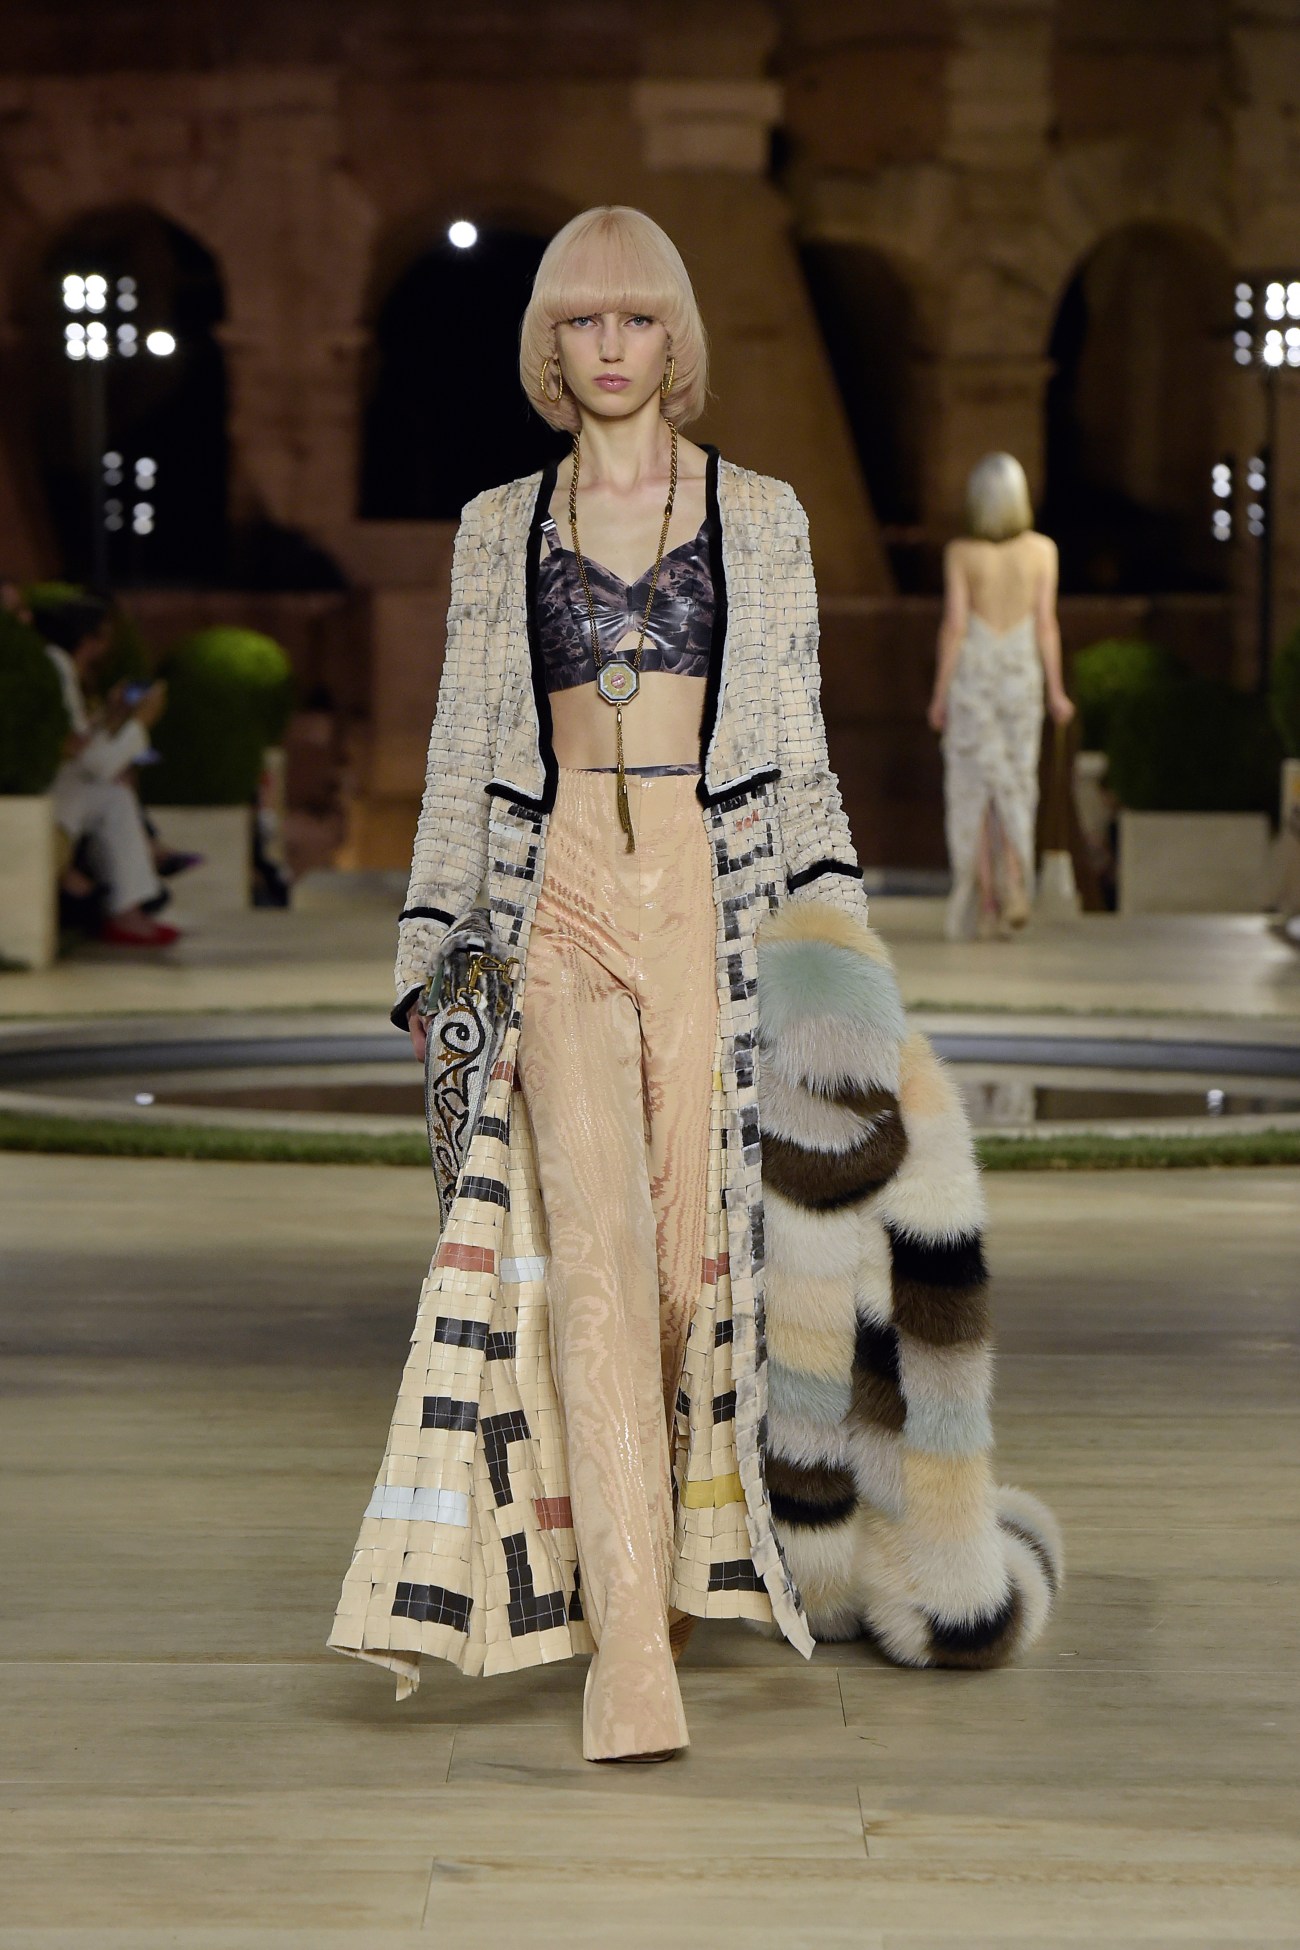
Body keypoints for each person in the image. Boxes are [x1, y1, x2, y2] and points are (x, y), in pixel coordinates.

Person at [328, 206, 885, 1764]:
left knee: (687, 1273)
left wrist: (843, 949)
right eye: (583, 320)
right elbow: (459, 745)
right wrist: (432, 960)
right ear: (549, 345)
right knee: (592, 1251)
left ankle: (664, 1559)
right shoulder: (497, 525)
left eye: (638, 318)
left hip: (708, 894)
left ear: (676, 335)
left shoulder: (760, 516)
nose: (613, 347)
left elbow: (803, 749)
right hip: (556, 888)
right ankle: (630, 1652)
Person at [928, 452, 1075, 941]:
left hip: (974, 680)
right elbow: (1046, 625)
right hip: (1019, 681)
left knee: (976, 790)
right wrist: (1056, 691)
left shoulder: (961, 553)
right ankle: (1014, 881)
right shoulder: (1043, 551)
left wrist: (939, 695)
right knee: (1015, 783)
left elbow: (955, 627)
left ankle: (985, 900)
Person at [37, 594, 178, 947]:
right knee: (111, 793)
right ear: (89, 639)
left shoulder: (64, 668)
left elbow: (82, 743)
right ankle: (127, 910)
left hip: (63, 787)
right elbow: (89, 759)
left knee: (114, 797)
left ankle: (128, 910)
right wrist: (139, 724)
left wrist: (112, 717)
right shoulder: (55, 665)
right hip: (50, 792)